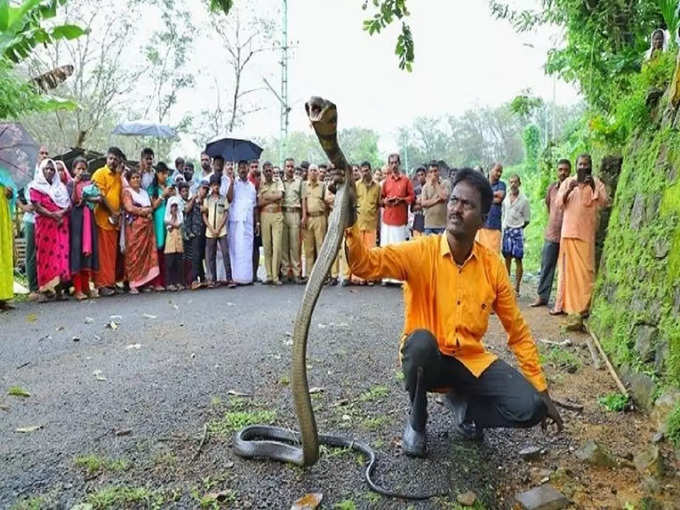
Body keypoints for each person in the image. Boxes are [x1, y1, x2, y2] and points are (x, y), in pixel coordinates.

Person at [336, 167, 563, 457]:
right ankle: (417, 421)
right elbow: (364, 265)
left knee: (530, 408)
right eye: (454, 200)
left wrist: (542, 391)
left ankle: (466, 409)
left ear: (482, 220)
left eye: (467, 204)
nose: (456, 209)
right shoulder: (420, 251)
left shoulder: (492, 267)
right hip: (428, 360)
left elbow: (517, 332)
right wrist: (350, 219)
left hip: (470, 361)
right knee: (419, 344)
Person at [551, 154, 609, 317]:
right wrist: (570, 189)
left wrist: (592, 187)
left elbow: (604, 202)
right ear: (576, 166)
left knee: (586, 272)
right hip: (568, 233)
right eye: (580, 164)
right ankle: (564, 306)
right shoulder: (568, 182)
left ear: (591, 166)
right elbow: (558, 204)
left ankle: (583, 307)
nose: (583, 167)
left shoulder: (596, 182)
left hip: (586, 234)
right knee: (566, 272)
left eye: (586, 164)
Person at [531, 159, 571, 308]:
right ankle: (542, 296)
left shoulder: (574, 188)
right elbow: (549, 206)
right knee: (547, 265)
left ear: (570, 171)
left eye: (566, 170)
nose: (563, 172)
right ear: (557, 171)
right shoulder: (552, 189)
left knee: (566, 268)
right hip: (552, 233)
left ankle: (565, 301)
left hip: (569, 234)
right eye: (560, 169)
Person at [30, 159, 71, 302]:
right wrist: (52, 215)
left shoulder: (60, 188)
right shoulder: (35, 187)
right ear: (41, 170)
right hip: (45, 228)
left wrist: (61, 213)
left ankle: (59, 292)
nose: (49, 171)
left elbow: (67, 204)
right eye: (46, 169)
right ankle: (43, 291)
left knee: (60, 256)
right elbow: (36, 206)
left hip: (60, 226)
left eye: (52, 169)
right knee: (45, 258)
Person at [91, 147, 124, 297]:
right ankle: (102, 285)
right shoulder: (100, 173)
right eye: (110, 158)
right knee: (103, 254)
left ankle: (110, 282)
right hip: (102, 219)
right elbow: (100, 196)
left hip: (114, 222)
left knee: (111, 254)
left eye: (115, 159)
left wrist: (118, 213)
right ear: (106, 158)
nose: (112, 161)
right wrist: (113, 212)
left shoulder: (118, 176)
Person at [122, 168, 159, 294]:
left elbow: (151, 206)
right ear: (129, 180)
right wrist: (143, 211)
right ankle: (133, 283)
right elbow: (129, 207)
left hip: (147, 227)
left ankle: (143, 282)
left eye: (138, 177)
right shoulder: (127, 192)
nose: (136, 180)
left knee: (146, 254)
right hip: (134, 229)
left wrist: (149, 210)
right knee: (134, 254)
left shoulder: (144, 192)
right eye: (133, 178)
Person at [344, 161, 380, 287]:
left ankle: (369, 277)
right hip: (358, 223)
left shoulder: (377, 186)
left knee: (370, 252)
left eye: (366, 170)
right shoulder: (356, 185)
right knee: (356, 251)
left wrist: (378, 224)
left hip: (371, 223)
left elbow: (378, 205)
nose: (364, 173)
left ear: (370, 170)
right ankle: (356, 277)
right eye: (362, 171)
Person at [380, 153, 414, 284]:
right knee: (387, 249)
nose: (394, 165)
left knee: (399, 250)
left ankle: (399, 278)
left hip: (400, 221)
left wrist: (401, 200)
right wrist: (386, 201)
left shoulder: (406, 180)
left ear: (399, 164)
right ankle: (387, 277)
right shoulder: (385, 182)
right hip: (387, 221)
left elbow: (412, 198)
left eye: (396, 162)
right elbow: (380, 200)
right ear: (389, 165)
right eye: (391, 163)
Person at [68, 157, 99, 300]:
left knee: (88, 252)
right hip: (76, 221)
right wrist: (74, 185)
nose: (81, 171)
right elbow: (72, 201)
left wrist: (93, 189)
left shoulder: (89, 183)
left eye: (83, 169)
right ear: (73, 170)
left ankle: (87, 287)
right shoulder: (69, 184)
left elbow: (97, 198)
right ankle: (78, 289)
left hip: (88, 220)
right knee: (77, 252)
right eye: (78, 169)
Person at [501, 174, 531, 296]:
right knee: (507, 258)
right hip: (507, 230)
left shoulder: (524, 200)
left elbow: (527, 219)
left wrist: (518, 228)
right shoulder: (506, 198)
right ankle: (508, 286)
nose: (513, 184)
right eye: (511, 182)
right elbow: (503, 213)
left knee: (518, 259)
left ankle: (517, 287)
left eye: (515, 182)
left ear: (519, 183)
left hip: (517, 231)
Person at [229, 161, 257, 285]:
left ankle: (246, 277)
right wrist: (231, 182)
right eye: (240, 168)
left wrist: (257, 223)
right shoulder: (234, 184)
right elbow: (229, 199)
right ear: (237, 169)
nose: (242, 170)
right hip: (236, 222)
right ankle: (235, 277)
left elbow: (254, 205)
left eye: (245, 168)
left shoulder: (251, 186)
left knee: (247, 249)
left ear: (248, 169)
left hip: (248, 222)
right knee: (236, 249)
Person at [203, 174, 233, 288]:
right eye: (214, 185)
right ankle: (213, 279)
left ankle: (229, 278)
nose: (216, 187)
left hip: (222, 231)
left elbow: (226, 214)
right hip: (210, 231)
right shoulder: (207, 199)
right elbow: (204, 215)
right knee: (211, 256)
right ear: (210, 186)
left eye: (217, 185)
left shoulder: (223, 199)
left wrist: (219, 228)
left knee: (225, 253)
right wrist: (211, 228)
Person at [148, 162, 174, 291]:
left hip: (169, 221)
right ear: (157, 173)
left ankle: (167, 281)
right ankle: (156, 282)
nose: (165, 176)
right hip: (158, 220)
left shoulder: (169, 186)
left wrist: (171, 194)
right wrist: (163, 195)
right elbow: (153, 206)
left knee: (168, 252)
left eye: (167, 174)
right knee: (158, 251)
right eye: (163, 173)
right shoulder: (152, 188)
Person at [258, 162, 284, 285]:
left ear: (272, 171)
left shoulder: (278, 182)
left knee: (277, 246)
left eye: (270, 170)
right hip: (264, 216)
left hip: (277, 215)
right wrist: (272, 197)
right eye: (266, 171)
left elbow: (280, 195)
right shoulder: (261, 184)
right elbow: (259, 202)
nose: (268, 173)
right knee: (267, 246)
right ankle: (268, 275)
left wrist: (267, 197)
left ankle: (275, 276)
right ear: (263, 172)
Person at [302, 164, 329, 278]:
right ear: (308, 172)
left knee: (321, 246)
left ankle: (322, 275)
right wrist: (303, 216)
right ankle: (309, 274)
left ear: (318, 173)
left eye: (315, 171)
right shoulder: (304, 185)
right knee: (308, 248)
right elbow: (303, 201)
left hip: (320, 218)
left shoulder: (323, 186)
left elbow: (327, 202)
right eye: (311, 170)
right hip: (308, 218)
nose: (313, 172)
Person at [280, 158, 305, 284]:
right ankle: (285, 272)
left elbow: (303, 200)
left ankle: (296, 273)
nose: (290, 169)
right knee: (284, 245)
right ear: (284, 168)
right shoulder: (279, 182)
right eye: (288, 166)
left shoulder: (299, 182)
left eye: (291, 166)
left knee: (295, 245)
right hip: (283, 213)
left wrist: (303, 216)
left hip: (295, 213)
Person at [475, 163, 505, 253]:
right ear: (490, 169)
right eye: (497, 170)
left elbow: (500, 197)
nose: (499, 173)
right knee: (479, 252)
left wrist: (485, 196)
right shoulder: (483, 183)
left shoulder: (502, 184)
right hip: (481, 225)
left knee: (493, 255)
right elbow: (477, 197)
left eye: (501, 172)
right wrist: (493, 195)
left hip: (494, 226)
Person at [184, 179, 208, 289]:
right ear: (198, 189)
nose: (205, 191)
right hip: (195, 231)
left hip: (204, 232)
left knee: (200, 256)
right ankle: (193, 280)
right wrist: (189, 232)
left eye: (207, 189)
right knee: (195, 256)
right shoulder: (193, 200)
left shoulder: (206, 201)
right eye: (203, 188)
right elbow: (186, 211)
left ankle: (202, 278)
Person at [0, 164, 17, 310]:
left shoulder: (4, 172)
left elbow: (13, 196)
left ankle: (3, 297)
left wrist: (10, 194)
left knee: (4, 255)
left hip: (2, 218)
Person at [420, 161, 450, 235]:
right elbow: (423, 203)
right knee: (429, 246)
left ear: (439, 171)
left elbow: (444, 197)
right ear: (428, 173)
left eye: (435, 171)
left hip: (443, 225)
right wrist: (438, 199)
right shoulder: (425, 187)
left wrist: (435, 183)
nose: (433, 173)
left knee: (442, 246)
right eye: (431, 171)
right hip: (429, 226)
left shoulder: (445, 183)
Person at [164, 195, 185, 291]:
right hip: (170, 244)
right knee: (170, 264)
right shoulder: (168, 217)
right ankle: (169, 283)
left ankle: (179, 282)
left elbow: (179, 224)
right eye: (173, 206)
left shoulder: (180, 216)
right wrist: (172, 217)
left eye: (176, 206)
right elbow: (170, 226)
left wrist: (175, 217)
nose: (174, 208)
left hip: (179, 243)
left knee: (179, 264)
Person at [248, 159, 262, 282]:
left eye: (256, 166)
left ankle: (255, 274)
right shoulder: (246, 182)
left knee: (256, 247)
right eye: (252, 166)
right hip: (248, 219)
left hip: (259, 217)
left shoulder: (260, 181)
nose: (254, 169)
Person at [411, 167, 426, 237]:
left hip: (428, 221)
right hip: (418, 221)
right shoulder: (416, 190)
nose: (420, 177)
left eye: (422, 174)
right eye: (418, 175)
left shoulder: (430, 188)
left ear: (425, 175)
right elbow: (412, 208)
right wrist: (423, 204)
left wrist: (421, 202)